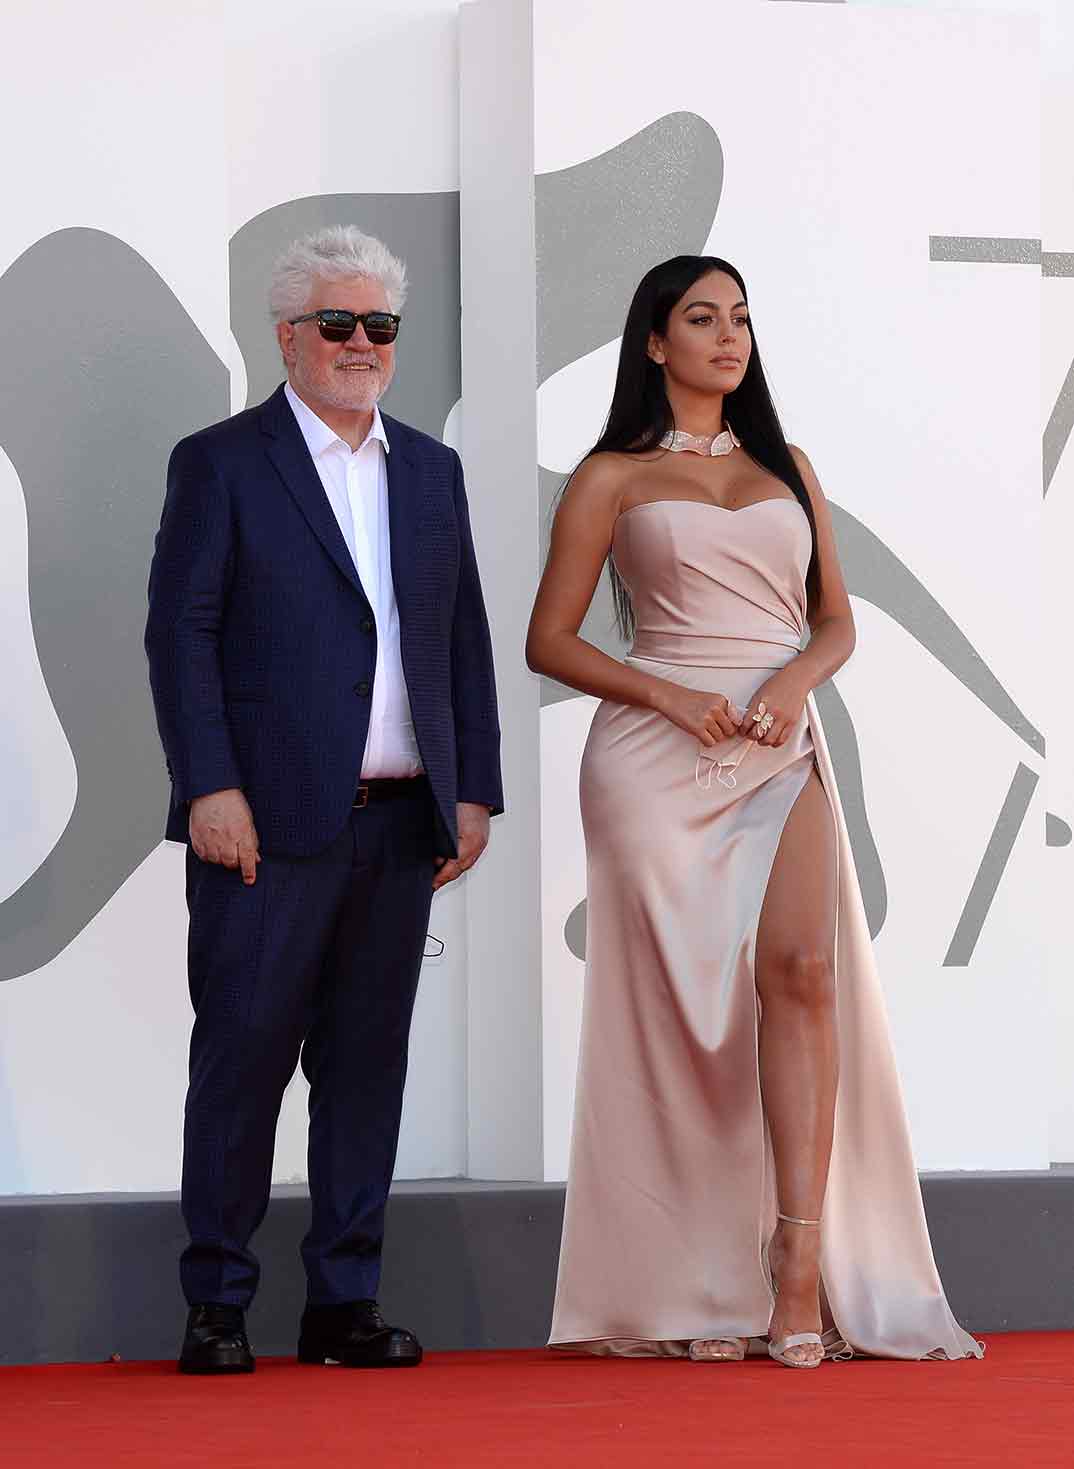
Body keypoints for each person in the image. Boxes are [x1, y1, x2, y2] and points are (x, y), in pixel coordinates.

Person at [527, 255, 981, 1367]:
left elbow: (834, 619)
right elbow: (552, 639)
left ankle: (796, 1257)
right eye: (701, 317)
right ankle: (688, 1272)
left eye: (739, 318)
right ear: (654, 341)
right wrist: (672, 693)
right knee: (673, 1011)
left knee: (803, 974)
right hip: (653, 755)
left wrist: (788, 685)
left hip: (781, 744)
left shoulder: (790, 466)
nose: (729, 336)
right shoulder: (609, 476)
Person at [146, 225, 502, 1374]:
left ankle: (344, 1299)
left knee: (366, 1066)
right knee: (241, 1059)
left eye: (380, 326)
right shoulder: (223, 461)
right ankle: (218, 1302)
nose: (363, 345)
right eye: (339, 324)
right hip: (263, 823)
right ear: (288, 335)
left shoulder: (432, 470)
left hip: (401, 822)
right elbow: (181, 633)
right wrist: (209, 781)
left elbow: (462, 639)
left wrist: (474, 789)